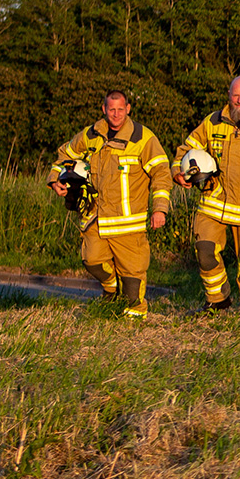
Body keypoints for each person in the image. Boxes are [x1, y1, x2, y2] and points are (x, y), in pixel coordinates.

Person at [47, 90, 170, 317]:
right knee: (91, 260)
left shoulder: (143, 138)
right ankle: (112, 290)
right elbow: (65, 154)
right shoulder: (91, 134)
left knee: (132, 278)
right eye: (111, 109)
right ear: (104, 109)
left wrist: (160, 209)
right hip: (95, 219)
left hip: (128, 224)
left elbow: (161, 173)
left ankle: (133, 320)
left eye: (120, 109)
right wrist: (55, 179)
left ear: (128, 109)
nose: (116, 114)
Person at [174, 76, 240, 316]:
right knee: (205, 252)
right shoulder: (212, 122)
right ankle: (217, 302)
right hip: (213, 204)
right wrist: (178, 172)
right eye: (235, 95)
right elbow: (186, 149)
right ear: (229, 95)